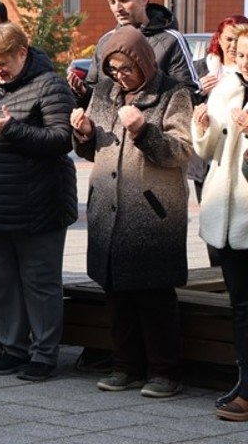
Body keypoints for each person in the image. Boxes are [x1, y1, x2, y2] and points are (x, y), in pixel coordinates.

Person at [70, 26, 192, 399]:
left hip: (153, 212)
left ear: (144, 62)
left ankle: (164, 372)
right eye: (113, 70)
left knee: (154, 295)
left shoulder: (173, 93)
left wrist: (143, 131)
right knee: (117, 293)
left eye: (127, 69)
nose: (120, 77)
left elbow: (181, 151)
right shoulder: (105, 92)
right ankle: (125, 365)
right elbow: (93, 152)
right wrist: (85, 133)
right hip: (109, 209)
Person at [0, 23, 77, 382]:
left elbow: (60, 139)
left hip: (38, 204)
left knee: (40, 283)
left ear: (22, 52)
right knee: (2, 282)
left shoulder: (49, 85)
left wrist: (12, 130)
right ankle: (12, 347)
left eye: (2, 62)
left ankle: (44, 353)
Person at [192, 23, 248, 421]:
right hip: (226, 214)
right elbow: (210, 151)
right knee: (241, 305)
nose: (243, 62)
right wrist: (202, 127)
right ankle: (245, 383)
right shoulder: (226, 89)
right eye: (239, 55)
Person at [69, 0, 196, 107]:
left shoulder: (171, 40)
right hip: (109, 127)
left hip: (152, 126)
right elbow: (96, 95)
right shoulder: (106, 42)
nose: (118, 8)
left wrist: (147, 110)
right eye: (112, 2)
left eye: (124, 0)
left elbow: (188, 93)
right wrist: (82, 92)